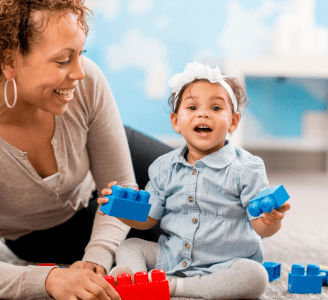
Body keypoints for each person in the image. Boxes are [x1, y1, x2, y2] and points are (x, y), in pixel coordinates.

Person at [0, 0, 170, 299]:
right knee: (181, 235)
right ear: (9, 61)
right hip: (41, 230)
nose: (80, 73)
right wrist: (51, 279)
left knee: (208, 179)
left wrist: (98, 256)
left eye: (81, 54)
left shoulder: (86, 81)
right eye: (63, 61)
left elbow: (119, 185)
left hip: (102, 177)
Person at [97, 62, 292, 299]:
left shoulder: (247, 168)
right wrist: (120, 209)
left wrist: (271, 220)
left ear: (233, 122)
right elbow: (148, 219)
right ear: (176, 121)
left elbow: (261, 227)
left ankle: (171, 287)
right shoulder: (163, 167)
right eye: (192, 107)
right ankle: (135, 280)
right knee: (130, 246)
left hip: (225, 265)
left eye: (216, 108)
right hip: (172, 256)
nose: (203, 113)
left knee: (255, 275)